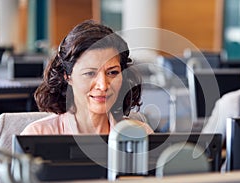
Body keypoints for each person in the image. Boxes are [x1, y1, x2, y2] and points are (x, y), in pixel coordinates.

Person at [20, 20, 153, 135]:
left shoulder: (141, 135)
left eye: (112, 73)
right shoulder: (38, 134)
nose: (103, 85)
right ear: (67, 76)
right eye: (90, 73)